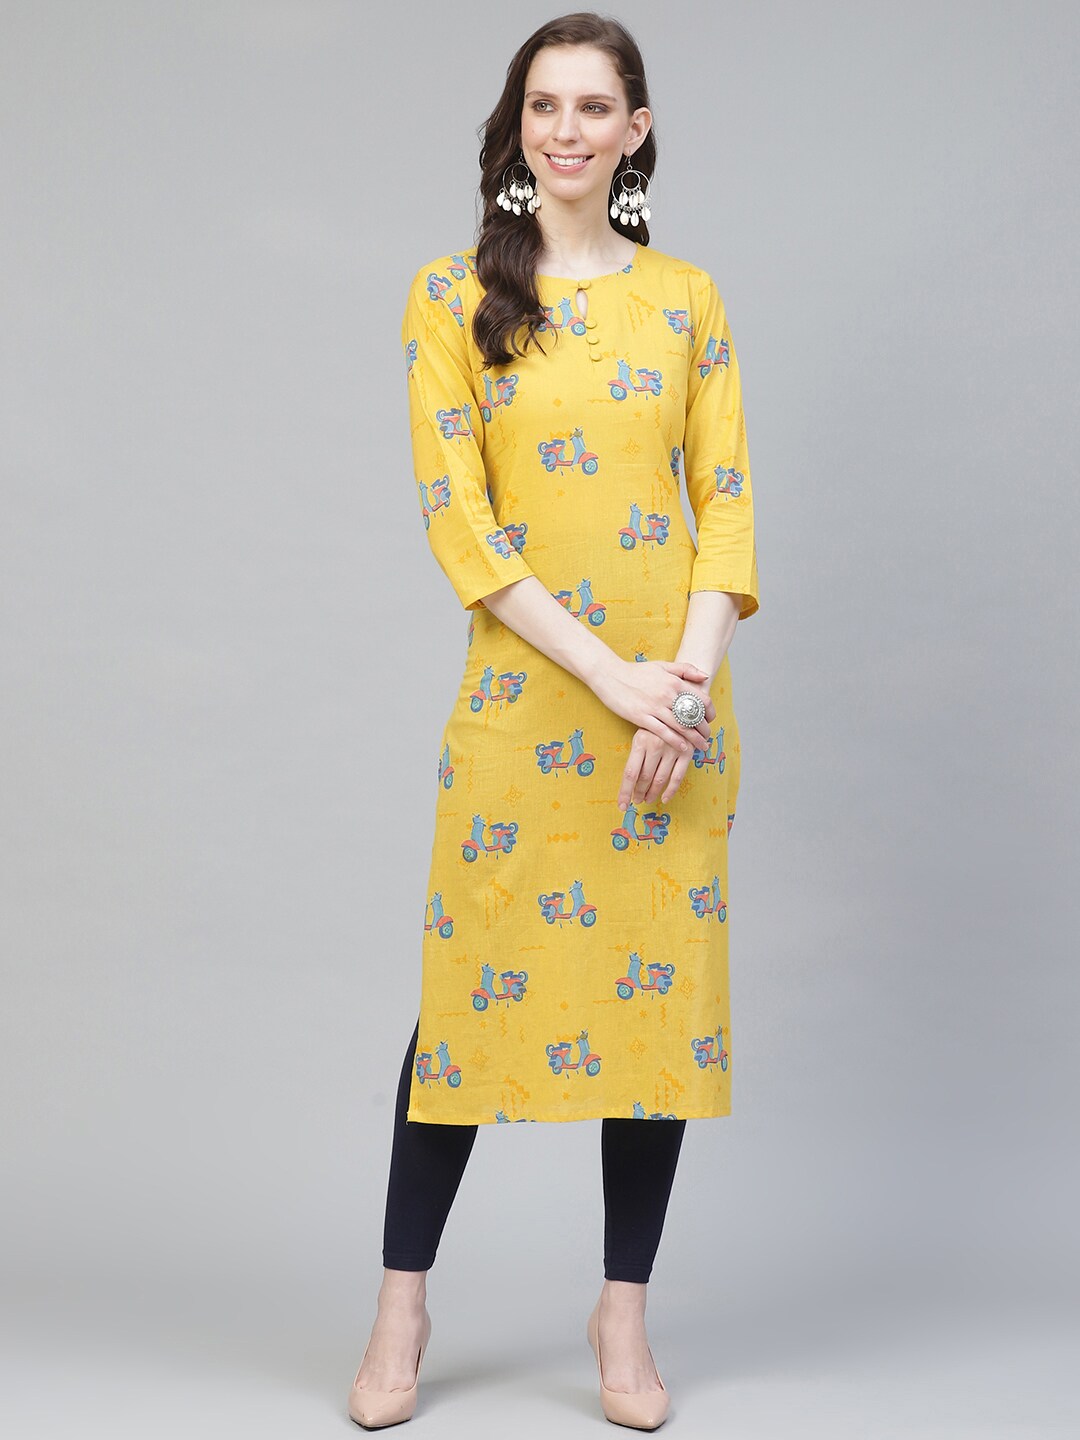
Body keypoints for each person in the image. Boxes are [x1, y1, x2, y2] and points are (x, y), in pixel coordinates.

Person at [348, 11, 760, 1431]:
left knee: (651, 1013)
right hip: (530, 708)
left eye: (594, 106)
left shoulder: (689, 300)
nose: (567, 129)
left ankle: (621, 1317)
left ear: (637, 131)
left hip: (673, 713)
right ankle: (402, 1303)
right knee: (466, 1007)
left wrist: (681, 689)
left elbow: (728, 510)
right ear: (516, 127)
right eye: (545, 105)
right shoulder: (450, 297)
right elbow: (460, 526)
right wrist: (614, 677)